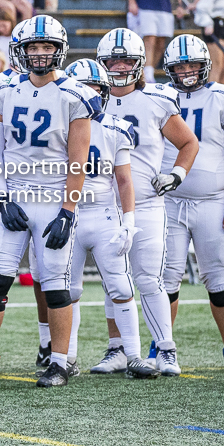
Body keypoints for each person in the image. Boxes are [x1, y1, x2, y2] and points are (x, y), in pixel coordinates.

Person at [0, 15, 100, 388]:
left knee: (55, 284)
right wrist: (1, 199)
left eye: (46, 46)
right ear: (20, 51)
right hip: (14, 192)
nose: (38, 54)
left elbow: (77, 159)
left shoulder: (75, 95)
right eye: (32, 47)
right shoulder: (4, 91)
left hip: (53, 194)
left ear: (59, 50)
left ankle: (59, 361)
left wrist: (68, 211)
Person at [93, 28, 199, 376]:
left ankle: (165, 350)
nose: (120, 66)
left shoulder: (156, 100)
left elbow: (189, 143)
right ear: (101, 63)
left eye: (127, 59)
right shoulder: (90, 99)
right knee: (114, 281)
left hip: (149, 203)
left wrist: (176, 175)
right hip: (104, 205)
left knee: (148, 279)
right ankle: (118, 349)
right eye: (113, 60)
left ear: (139, 63)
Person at [57, 59, 159, 379]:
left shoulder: (115, 127)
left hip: (103, 214)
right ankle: (66, 357)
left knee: (119, 285)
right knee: (67, 289)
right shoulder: (55, 124)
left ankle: (133, 356)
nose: (89, 94)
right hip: (67, 214)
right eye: (83, 88)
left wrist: (128, 220)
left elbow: (124, 180)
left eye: (96, 88)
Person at [161, 35, 224, 369]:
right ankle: (163, 346)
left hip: (214, 201)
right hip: (169, 201)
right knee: (165, 276)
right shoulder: (159, 96)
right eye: (180, 65)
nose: (186, 71)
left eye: (192, 64)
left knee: (218, 275)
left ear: (205, 65)